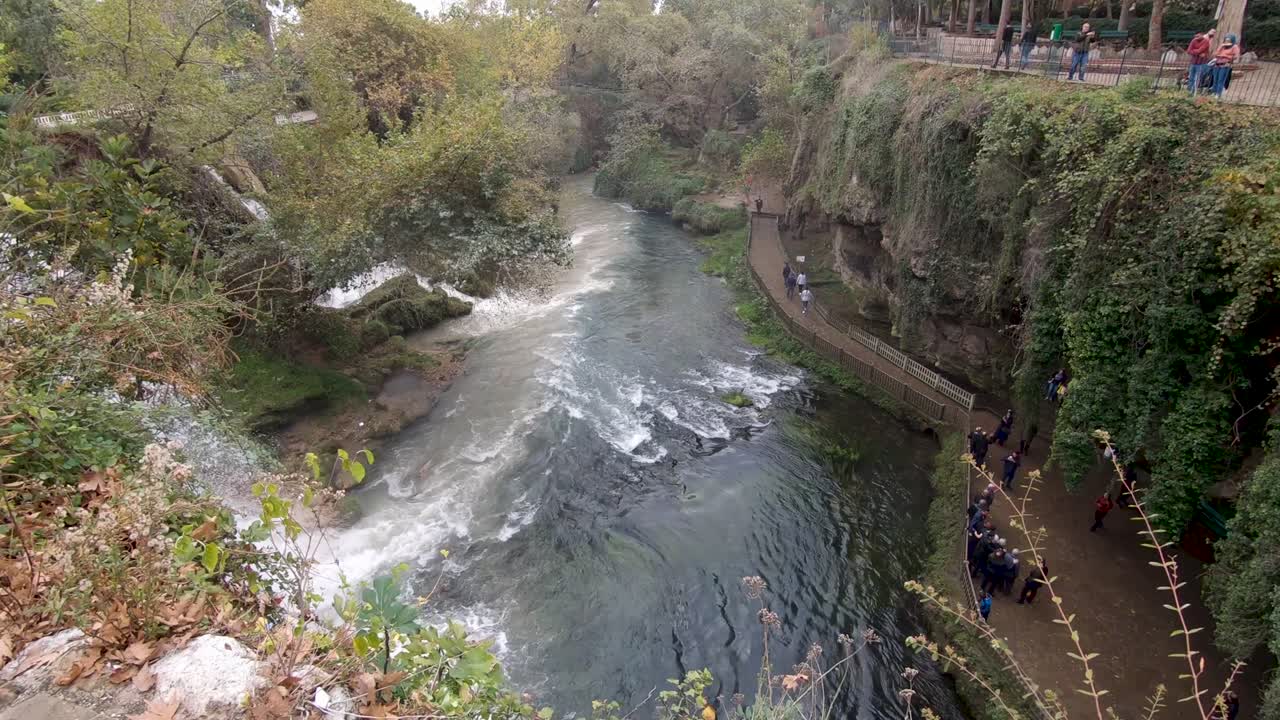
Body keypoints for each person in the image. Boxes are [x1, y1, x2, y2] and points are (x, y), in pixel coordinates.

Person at [1211, 34, 1241, 98]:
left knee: (1220, 80)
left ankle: (1218, 94)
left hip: (1225, 65)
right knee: (1215, 79)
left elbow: (1236, 56)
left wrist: (1225, 56)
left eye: (1228, 40)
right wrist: (1221, 46)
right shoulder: (1223, 46)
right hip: (1217, 64)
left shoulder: (1234, 46)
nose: (1227, 42)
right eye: (1226, 40)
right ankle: (1214, 92)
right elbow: (1215, 54)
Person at [1187, 29, 1214, 95]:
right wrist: (1197, 53)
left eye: (1198, 36)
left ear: (1202, 35)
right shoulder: (1194, 40)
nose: (1196, 38)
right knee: (1191, 77)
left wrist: (1194, 51)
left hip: (1201, 63)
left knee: (1197, 78)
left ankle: (1194, 92)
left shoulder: (1206, 41)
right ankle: (1189, 91)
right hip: (1193, 62)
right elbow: (1188, 50)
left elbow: (1200, 50)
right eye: (1195, 36)